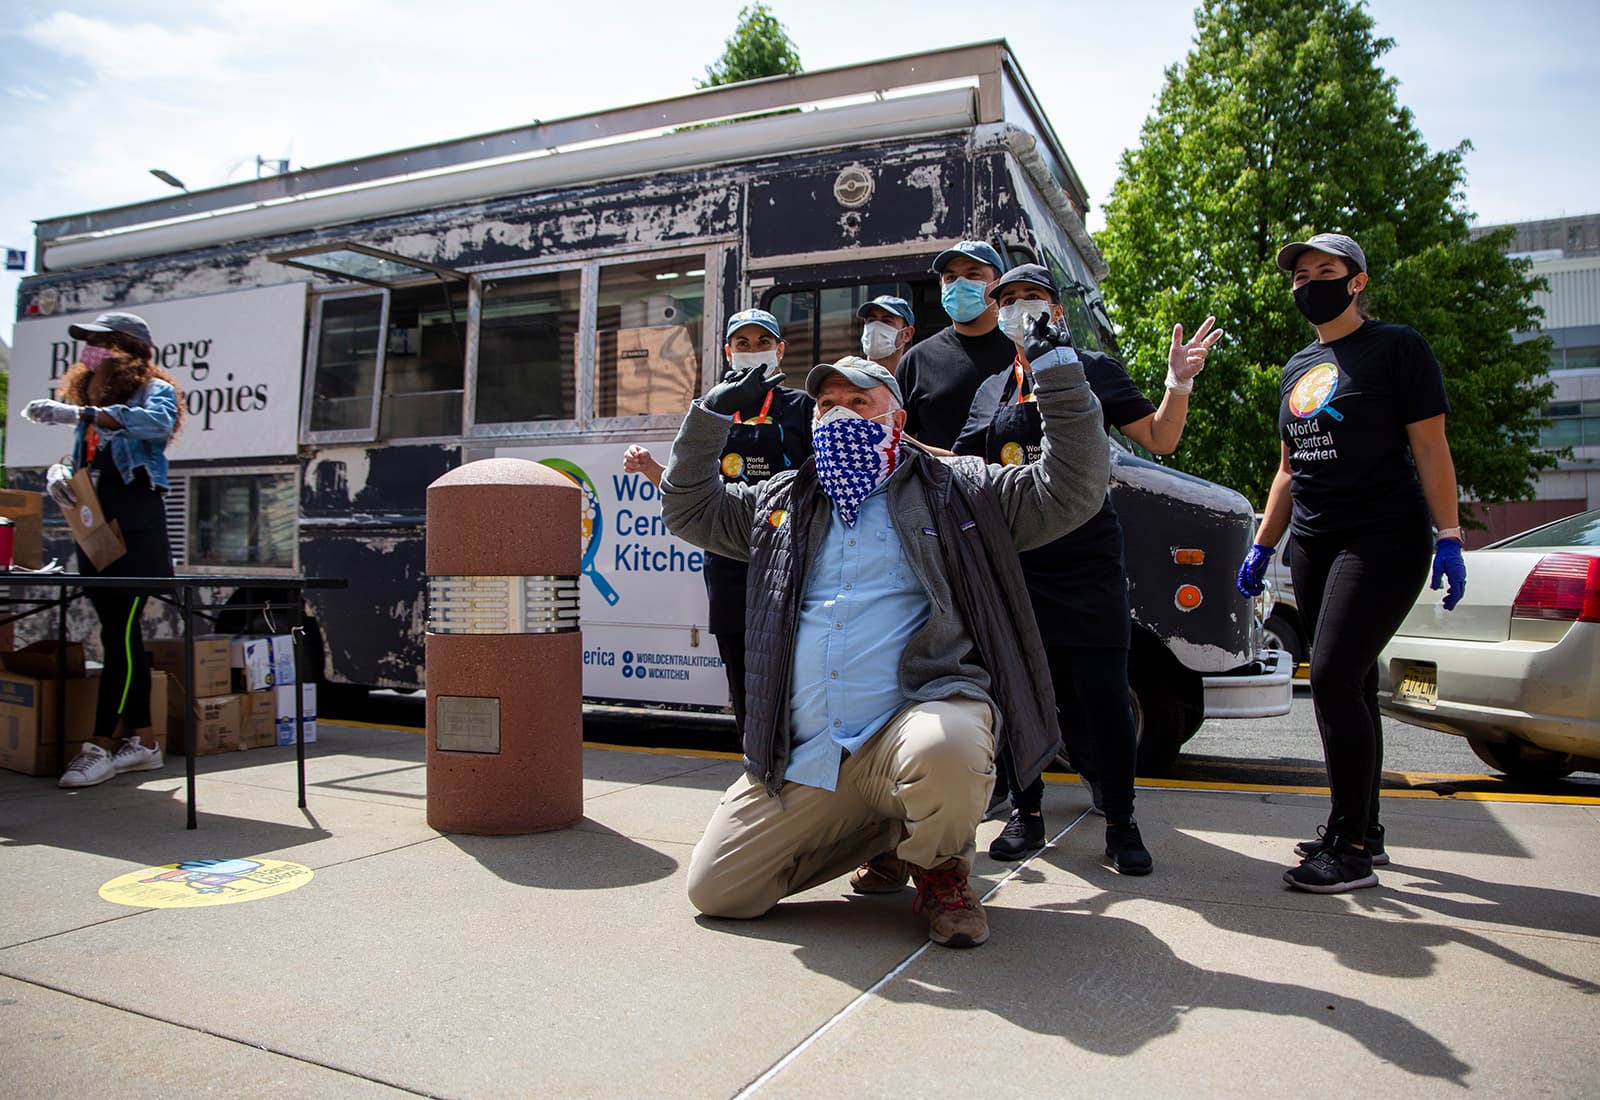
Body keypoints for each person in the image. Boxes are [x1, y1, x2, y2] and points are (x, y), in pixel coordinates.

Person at [660, 336, 1110, 949]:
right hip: (813, 756)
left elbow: (1072, 487)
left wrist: (1058, 375)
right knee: (720, 892)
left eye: (860, 401)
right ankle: (888, 832)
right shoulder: (783, 500)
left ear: (896, 417)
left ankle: (941, 868)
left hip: (910, 728)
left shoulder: (957, 490)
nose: (840, 411)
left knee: (946, 748)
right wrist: (710, 415)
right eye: (827, 403)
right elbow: (690, 509)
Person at [954, 264, 1223, 874]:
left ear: (1058, 311)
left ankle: (1122, 822)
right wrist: (895, 443)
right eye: (1011, 299)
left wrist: (1176, 385)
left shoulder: (1092, 369)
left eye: (1035, 298)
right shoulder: (993, 388)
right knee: (1022, 696)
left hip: (1088, 560)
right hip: (1019, 566)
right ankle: (1027, 812)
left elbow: (1160, 438)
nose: (1022, 309)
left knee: (1103, 695)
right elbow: (964, 466)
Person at [1236, 232, 1466, 894]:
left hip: (1382, 535)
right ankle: (1363, 824)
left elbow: (1430, 447)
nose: (1310, 281)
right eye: (1300, 274)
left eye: (1325, 271)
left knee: (1333, 675)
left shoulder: (1397, 348)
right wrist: (1262, 543)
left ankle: (1352, 847)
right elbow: (1287, 469)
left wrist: (1448, 533)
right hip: (1313, 540)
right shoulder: (1297, 366)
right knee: (1354, 683)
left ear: (1357, 280)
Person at [623, 309, 812, 734]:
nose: (752, 351)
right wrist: (653, 467)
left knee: (795, 674)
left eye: (762, 343)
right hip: (728, 562)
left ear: (779, 350)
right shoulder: (713, 409)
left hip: (789, 559)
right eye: (741, 344)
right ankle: (753, 766)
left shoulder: (802, 407)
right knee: (743, 679)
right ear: (728, 352)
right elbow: (687, 491)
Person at [22, 311, 183, 789]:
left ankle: (99, 744)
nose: (90, 350)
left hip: (137, 527)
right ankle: (144, 742)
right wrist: (60, 474)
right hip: (95, 528)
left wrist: (84, 413)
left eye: (99, 341)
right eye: (87, 343)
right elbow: (87, 459)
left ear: (126, 347)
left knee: (121, 629)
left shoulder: (152, 389)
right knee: (115, 634)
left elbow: (156, 425)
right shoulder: (93, 401)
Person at [895, 240, 1015, 450]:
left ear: (997, 284)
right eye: (950, 277)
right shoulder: (917, 361)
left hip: (1014, 481)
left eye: (972, 275)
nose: (960, 284)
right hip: (940, 482)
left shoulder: (1021, 350)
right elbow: (898, 436)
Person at [856, 294, 915, 372]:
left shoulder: (914, 381)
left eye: (886, 321)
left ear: (907, 334)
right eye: (871, 320)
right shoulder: (847, 380)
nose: (875, 327)